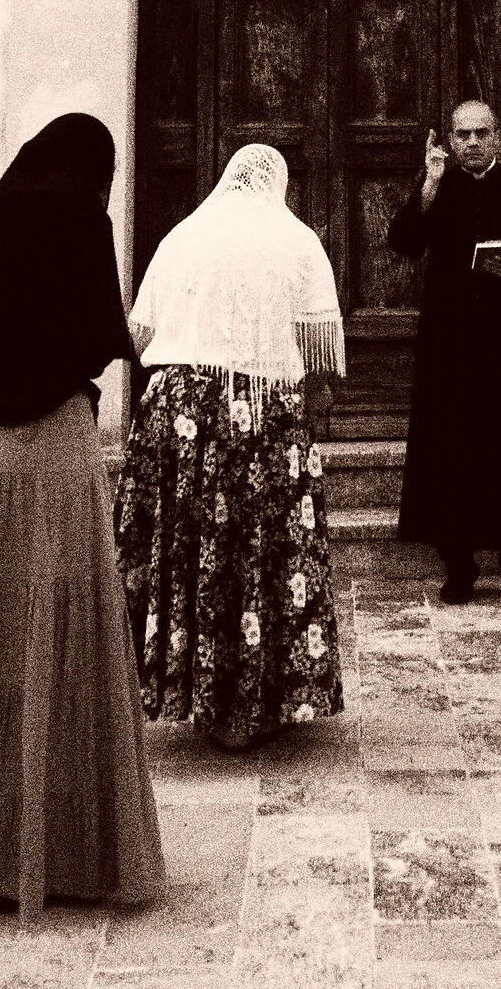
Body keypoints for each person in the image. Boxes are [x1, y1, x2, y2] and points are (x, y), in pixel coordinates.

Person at [0, 112, 164, 920]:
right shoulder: (82, 223)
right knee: (62, 641)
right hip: (45, 456)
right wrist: (35, 356)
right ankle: (61, 857)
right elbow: (97, 342)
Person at [114, 142, 346, 751]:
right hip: (261, 414)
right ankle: (252, 704)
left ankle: (192, 693)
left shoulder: (181, 237)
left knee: (194, 547)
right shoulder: (297, 241)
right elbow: (319, 347)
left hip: (179, 412)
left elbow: (139, 332)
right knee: (256, 548)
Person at [387, 100, 501, 603]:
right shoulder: (437, 190)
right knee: (452, 449)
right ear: (450, 139)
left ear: (498, 137)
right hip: (451, 343)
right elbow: (403, 242)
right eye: (461, 134)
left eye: (480, 133)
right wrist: (427, 184)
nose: (470, 142)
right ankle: (459, 566)